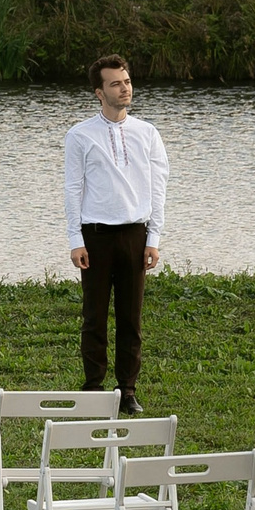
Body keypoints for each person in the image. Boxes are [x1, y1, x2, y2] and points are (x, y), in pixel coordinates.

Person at [63, 54, 166, 416]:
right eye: (116, 84)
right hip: (95, 236)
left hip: (135, 235)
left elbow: (158, 187)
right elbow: (73, 189)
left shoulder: (147, 133)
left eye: (127, 81)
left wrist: (153, 238)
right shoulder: (79, 135)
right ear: (99, 92)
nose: (125, 89)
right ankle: (93, 388)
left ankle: (127, 391)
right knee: (94, 316)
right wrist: (75, 239)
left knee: (131, 318)